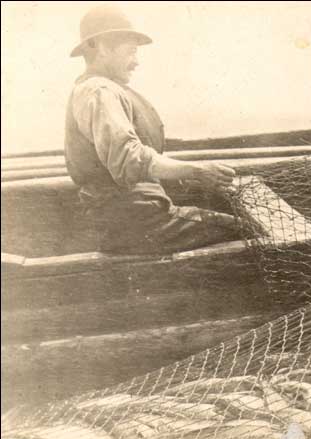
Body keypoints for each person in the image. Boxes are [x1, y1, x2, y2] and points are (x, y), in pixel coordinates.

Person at [65, 4, 239, 255]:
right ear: (102, 47)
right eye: (131, 52)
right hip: (138, 223)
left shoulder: (99, 88)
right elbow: (129, 158)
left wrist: (190, 175)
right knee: (246, 228)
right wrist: (197, 171)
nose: (136, 62)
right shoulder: (99, 91)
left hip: (131, 218)